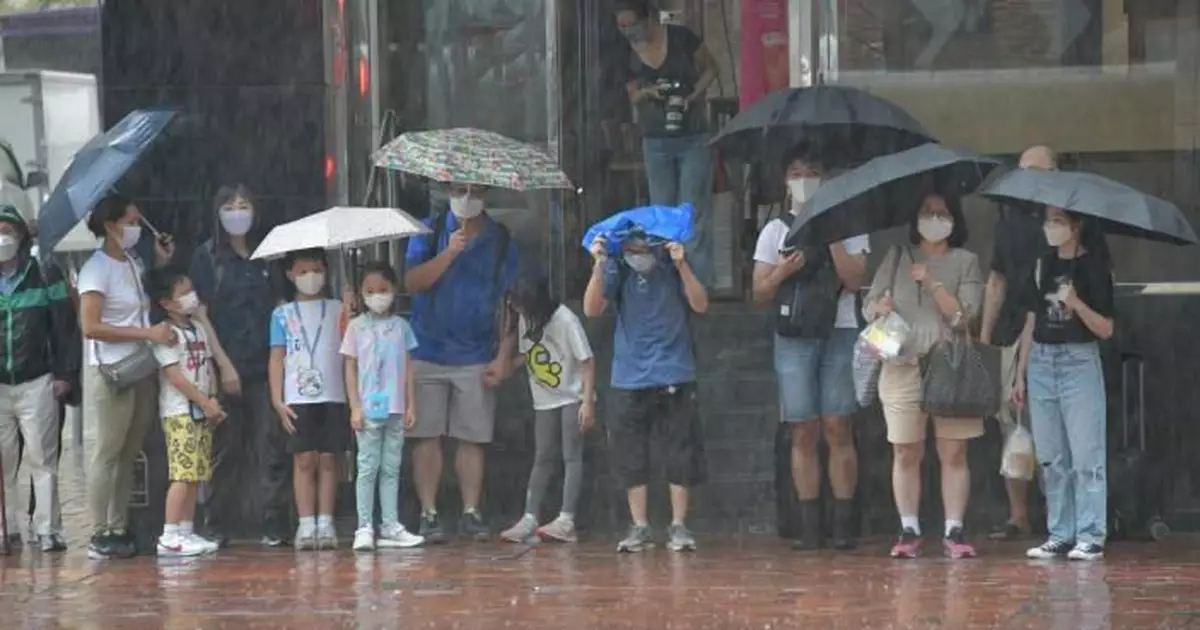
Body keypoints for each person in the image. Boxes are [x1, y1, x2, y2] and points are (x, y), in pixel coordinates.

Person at [751, 148, 868, 551]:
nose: (804, 179)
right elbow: (759, 291)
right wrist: (785, 269)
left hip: (840, 330)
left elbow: (855, 280)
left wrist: (832, 237)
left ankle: (843, 521)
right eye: (796, 173)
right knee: (802, 426)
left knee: (838, 424)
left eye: (812, 172)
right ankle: (809, 522)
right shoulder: (774, 230)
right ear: (785, 183)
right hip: (794, 335)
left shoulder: (848, 222)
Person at [862, 193, 984, 559]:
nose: (934, 219)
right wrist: (877, 307)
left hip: (950, 364)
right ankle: (909, 527)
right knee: (905, 450)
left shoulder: (966, 261)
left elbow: (965, 318)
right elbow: (869, 305)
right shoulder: (897, 256)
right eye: (926, 212)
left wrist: (932, 284)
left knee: (954, 451)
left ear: (953, 219)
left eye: (941, 213)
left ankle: (954, 529)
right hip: (901, 365)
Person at [403, 182, 519, 543]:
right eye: (459, 188)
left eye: (476, 189)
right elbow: (412, 282)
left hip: (476, 353)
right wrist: (449, 253)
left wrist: (504, 355)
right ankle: (429, 512)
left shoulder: (501, 240)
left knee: (472, 437)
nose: (467, 197)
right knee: (426, 435)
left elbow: (512, 302)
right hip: (426, 349)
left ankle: (471, 511)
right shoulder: (428, 230)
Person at [582, 230, 708, 553]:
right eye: (630, 249)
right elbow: (591, 308)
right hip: (630, 374)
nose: (637, 254)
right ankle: (640, 526)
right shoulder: (617, 269)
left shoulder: (672, 265)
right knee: (631, 452)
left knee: (680, 448)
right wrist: (598, 264)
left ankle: (678, 525)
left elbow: (701, 304)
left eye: (642, 248)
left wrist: (682, 265)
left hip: (674, 369)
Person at [190, 184, 290, 547]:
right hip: (224, 365)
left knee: (271, 445)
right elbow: (199, 314)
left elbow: (281, 304)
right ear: (217, 212)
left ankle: (273, 520)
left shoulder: (268, 254)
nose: (237, 212)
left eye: (244, 205)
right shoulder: (207, 257)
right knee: (223, 448)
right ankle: (216, 521)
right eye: (229, 206)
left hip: (267, 365)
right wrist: (223, 364)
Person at [78, 193, 176, 559]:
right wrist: (147, 335)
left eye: (138, 221)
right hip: (112, 371)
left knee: (129, 451)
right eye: (130, 222)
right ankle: (98, 529)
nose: (137, 228)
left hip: (140, 367)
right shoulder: (96, 269)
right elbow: (91, 326)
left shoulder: (133, 263)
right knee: (108, 450)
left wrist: (161, 261)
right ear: (110, 226)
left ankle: (118, 525)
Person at [1014, 206, 1114, 562]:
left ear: (1076, 225)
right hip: (1042, 359)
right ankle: (1059, 532)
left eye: (1058, 221)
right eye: (1047, 221)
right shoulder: (1042, 265)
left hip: (1078, 360)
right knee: (1051, 456)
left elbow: (1106, 328)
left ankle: (1090, 534)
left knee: (1086, 453)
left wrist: (1076, 303)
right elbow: (1030, 320)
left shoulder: (1095, 266)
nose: (1050, 228)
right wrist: (1022, 370)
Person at [979, 146, 1058, 541]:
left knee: (1053, 429)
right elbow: (997, 281)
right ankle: (1019, 515)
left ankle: (1059, 514)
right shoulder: (1009, 221)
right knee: (1012, 425)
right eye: (1024, 171)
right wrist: (984, 339)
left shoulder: (1066, 221)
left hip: (1057, 333)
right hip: (1011, 332)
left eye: (1038, 171)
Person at [615, 0, 719, 287]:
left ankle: (697, 286)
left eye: (631, 24)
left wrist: (692, 96)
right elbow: (632, 96)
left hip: (693, 136)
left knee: (693, 211)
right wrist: (650, 91)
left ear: (648, 18)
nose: (628, 31)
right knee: (662, 212)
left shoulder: (682, 38)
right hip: (656, 140)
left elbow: (712, 68)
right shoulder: (627, 53)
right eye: (621, 26)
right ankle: (665, 283)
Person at [0, 205, 79, 552]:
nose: (3, 238)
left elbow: (64, 328)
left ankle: (49, 528)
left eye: (9, 230)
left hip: (38, 381)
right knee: (3, 461)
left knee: (42, 458)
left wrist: (65, 374)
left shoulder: (46, 274)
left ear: (21, 236)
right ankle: (7, 529)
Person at [145, 266, 235, 557]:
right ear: (166, 303)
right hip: (180, 412)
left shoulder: (197, 328)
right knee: (182, 474)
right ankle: (169, 534)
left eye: (190, 290)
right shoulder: (166, 335)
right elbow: (175, 376)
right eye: (183, 294)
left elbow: (207, 364)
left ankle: (186, 530)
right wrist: (202, 401)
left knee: (196, 473)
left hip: (202, 410)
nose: (190, 297)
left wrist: (213, 400)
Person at [500, 273, 596, 544]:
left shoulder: (565, 319)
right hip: (543, 397)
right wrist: (506, 366)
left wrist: (587, 402)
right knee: (542, 456)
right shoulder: (523, 318)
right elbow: (530, 353)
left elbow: (587, 361)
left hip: (571, 395)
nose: (517, 311)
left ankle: (566, 518)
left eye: (520, 306)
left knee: (571, 456)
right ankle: (530, 516)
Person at [341, 262, 425, 552]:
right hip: (368, 408)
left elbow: (409, 368)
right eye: (370, 291)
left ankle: (390, 524)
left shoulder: (402, 327)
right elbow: (350, 367)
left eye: (383, 290)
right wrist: (355, 406)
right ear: (361, 294)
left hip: (395, 407)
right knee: (367, 467)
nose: (377, 295)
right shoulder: (356, 327)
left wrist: (411, 405)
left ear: (394, 291)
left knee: (391, 467)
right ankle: (364, 525)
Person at [269, 248, 348, 550]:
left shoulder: (339, 308)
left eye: (316, 270)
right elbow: (277, 358)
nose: (310, 277)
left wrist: (351, 308)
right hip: (297, 396)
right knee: (304, 459)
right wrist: (277, 399)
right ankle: (306, 524)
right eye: (302, 271)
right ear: (290, 275)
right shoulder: (282, 314)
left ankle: (326, 522)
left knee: (329, 459)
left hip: (334, 393)